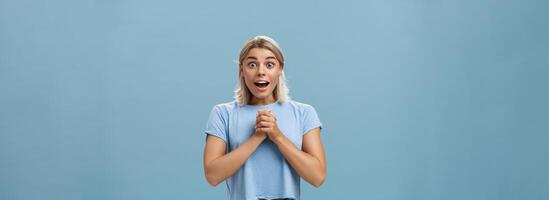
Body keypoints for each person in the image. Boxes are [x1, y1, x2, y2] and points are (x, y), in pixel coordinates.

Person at [203, 35, 326, 200]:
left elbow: (317, 176)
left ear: (280, 69)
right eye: (252, 64)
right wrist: (258, 136)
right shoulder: (223, 113)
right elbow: (213, 175)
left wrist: (277, 136)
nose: (261, 72)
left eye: (270, 64)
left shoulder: (304, 113)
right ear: (242, 69)